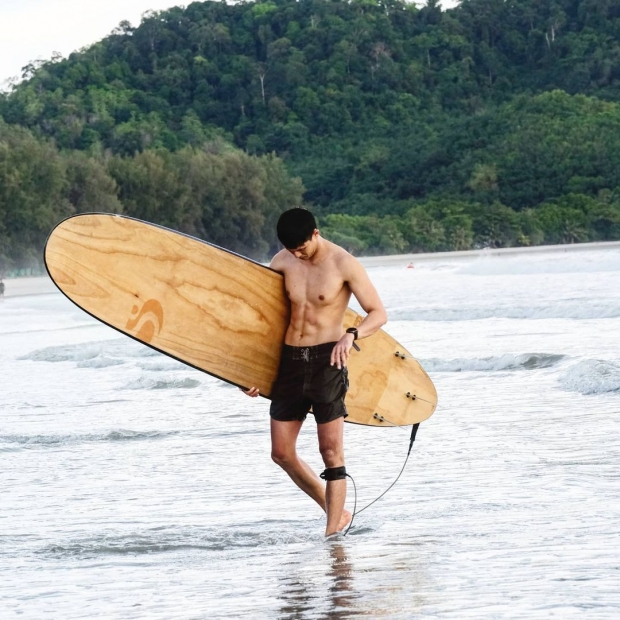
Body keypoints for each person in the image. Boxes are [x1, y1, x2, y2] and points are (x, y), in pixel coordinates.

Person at [243, 208, 387, 537]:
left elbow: (378, 313)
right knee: (281, 453)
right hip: (290, 361)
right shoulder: (281, 262)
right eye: (292, 250)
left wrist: (351, 334)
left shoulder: (343, 264)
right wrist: (251, 371)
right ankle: (336, 511)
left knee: (330, 451)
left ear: (315, 233)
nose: (298, 255)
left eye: (302, 248)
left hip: (328, 361)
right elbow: (267, 321)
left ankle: (332, 535)